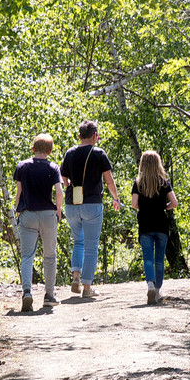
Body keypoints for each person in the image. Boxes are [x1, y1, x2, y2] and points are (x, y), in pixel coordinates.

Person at [59, 121, 125, 299]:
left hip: (72, 203)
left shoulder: (70, 153)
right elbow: (109, 181)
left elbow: (62, 177)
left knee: (78, 242)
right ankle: (87, 287)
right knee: (91, 247)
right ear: (95, 135)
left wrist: (69, 185)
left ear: (79, 136)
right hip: (92, 204)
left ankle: (75, 276)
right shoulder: (99, 153)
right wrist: (115, 198)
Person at [11, 135, 65, 313]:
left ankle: (27, 292)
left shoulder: (22, 166)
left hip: (28, 214)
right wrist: (58, 209)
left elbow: (19, 192)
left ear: (33, 149)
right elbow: (59, 192)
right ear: (50, 151)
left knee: (27, 256)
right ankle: (49, 295)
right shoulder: (53, 167)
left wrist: (18, 209)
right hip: (48, 214)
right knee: (50, 256)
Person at [128, 151, 178, 305]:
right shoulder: (164, 182)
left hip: (145, 224)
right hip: (161, 225)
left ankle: (150, 284)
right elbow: (174, 203)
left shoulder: (138, 183)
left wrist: (145, 207)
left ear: (143, 164)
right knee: (159, 260)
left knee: (147, 258)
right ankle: (157, 291)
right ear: (158, 164)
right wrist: (164, 206)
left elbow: (134, 204)